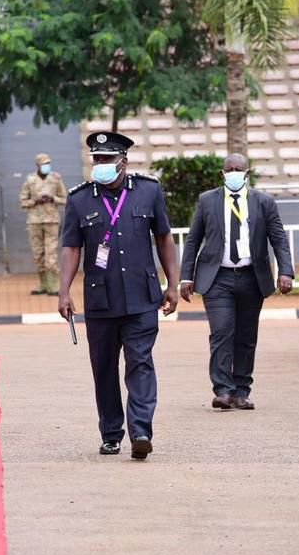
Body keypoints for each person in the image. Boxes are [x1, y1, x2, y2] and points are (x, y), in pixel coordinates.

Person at [58, 131, 179, 461]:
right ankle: (111, 433)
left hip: (142, 297)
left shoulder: (148, 190)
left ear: (123, 161)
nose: (100, 165)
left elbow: (164, 238)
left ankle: (140, 430)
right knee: (105, 368)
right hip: (101, 301)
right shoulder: (80, 198)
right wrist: (64, 290)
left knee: (140, 363)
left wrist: (172, 283)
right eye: (96, 159)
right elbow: (71, 247)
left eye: (107, 159)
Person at [178, 153, 294, 411]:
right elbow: (193, 239)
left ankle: (241, 391)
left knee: (246, 336)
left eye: (237, 169)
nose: (233, 172)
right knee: (221, 332)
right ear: (222, 174)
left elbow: (279, 238)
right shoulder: (207, 201)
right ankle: (223, 390)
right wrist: (186, 276)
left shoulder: (264, 202)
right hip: (217, 277)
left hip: (252, 277)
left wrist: (286, 271)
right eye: (228, 169)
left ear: (246, 173)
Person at [19, 152, 67, 296]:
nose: (47, 166)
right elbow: (22, 201)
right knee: (38, 253)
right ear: (38, 165)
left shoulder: (56, 178)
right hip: (34, 220)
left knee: (51, 254)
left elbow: (64, 198)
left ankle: (53, 286)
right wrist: (35, 201)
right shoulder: (30, 180)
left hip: (51, 220)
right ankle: (43, 284)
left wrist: (53, 198)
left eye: (48, 163)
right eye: (44, 163)